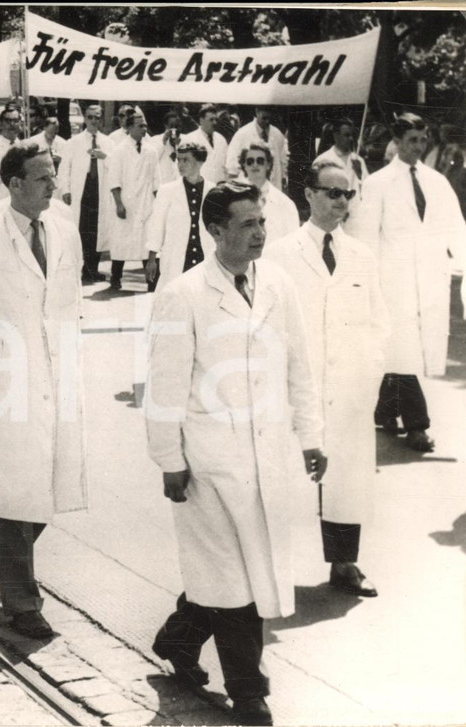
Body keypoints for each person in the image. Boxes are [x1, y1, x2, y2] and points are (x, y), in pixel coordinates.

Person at [145, 181, 326, 727]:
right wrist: (169, 461)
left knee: (242, 570)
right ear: (216, 229)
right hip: (209, 459)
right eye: (247, 224)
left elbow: (299, 364)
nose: (259, 233)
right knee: (232, 578)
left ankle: (177, 639)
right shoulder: (183, 294)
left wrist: (311, 434)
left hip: (267, 452)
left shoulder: (278, 284)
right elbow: (164, 386)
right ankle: (249, 692)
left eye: (262, 222)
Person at [0, 143, 88, 639]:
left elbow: (70, 301)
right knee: (12, 493)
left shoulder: (64, 232)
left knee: (49, 487)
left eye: (53, 175)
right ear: (14, 185)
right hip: (6, 385)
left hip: (55, 376)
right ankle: (22, 604)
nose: (53, 185)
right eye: (43, 177)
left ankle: (2, 544)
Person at [264, 161, 388, 598]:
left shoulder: (361, 256)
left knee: (347, 478)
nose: (340, 202)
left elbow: (377, 324)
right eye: (331, 193)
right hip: (297, 386)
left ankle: (345, 563)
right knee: (287, 477)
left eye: (347, 194)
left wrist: (370, 375)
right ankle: (273, 568)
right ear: (309, 195)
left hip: (349, 387)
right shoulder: (280, 253)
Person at [348, 112, 466, 452]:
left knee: (401, 354)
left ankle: (385, 410)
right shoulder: (378, 185)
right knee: (402, 352)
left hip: (429, 282)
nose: (419, 145)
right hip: (392, 283)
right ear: (397, 142)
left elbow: (454, 228)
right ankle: (417, 427)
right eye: (412, 140)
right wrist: (363, 286)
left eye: (422, 139)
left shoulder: (436, 182)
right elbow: (364, 239)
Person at [145, 143, 216, 294]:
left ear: (199, 162)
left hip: (205, 257)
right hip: (177, 258)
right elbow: (156, 226)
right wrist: (152, 259)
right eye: (178, 160)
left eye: (186, 160)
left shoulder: (213, 191)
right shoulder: (167, 191)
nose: (180, 164)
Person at [58, 104, 115, 283]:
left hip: (99, 191)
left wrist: (104, 157)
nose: (93, 121)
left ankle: (93, 269)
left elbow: (117, 167)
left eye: (97, 117)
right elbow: (64, 168)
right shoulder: (73, 142)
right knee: (80, 230)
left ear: (101, 119)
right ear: (85, 119)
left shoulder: (109, 143)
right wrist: (65, 190)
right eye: (90, 117)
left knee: (96, 231)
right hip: (81, 191)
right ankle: (79, 268)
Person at [107, 111, 159, 291]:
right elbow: (114, 179)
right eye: (140, 125)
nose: (144, 129)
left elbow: (156, 180)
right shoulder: (119, 150)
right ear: (129, 128)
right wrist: (119, 204)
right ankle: (115, 278)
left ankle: (152, 280)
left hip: (146, 203)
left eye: (145, 125)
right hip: (127, 202)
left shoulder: (151, 150)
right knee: (121, 242)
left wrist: (157, 202)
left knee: (148, 241)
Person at [236, 142, 299, 243]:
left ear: (268, 165)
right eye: (250, 161)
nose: (255, 164)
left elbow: (293, 241)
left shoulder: (285, 203)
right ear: (244, 165)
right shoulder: (233, 199)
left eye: (260, 161)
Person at [226, 107, 288, 189]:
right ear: (257, 112)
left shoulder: (277, 134)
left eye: (269, 119)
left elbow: (283, 162)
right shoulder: (242, 134)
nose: (267, 122)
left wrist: (283, 178)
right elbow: (231, 164)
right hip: (248, 185)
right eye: (264, 118)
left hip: (273, 186)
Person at [183, 103, 229, 184]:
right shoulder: (189, 139)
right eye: (211, 120)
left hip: (220, 188)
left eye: (216, 120)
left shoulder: (221, 139)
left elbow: (226, 166)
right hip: (199, 187)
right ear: (201, 120)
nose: (215, 123)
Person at [148, 109, 181, 186]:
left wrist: (179, 144)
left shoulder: (185, 141)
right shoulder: (155, 140)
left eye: (177, 126)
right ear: (166, 126)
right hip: (163, 185)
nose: (175, 129)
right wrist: (163, 142)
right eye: (172, 126)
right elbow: (152, 160)